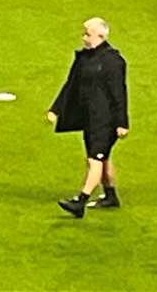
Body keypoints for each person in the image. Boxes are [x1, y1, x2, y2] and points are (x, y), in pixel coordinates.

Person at [47, 16, 129, 218]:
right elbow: (71, 85)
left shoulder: (113, 61)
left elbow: (119, 92)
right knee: (103, 158)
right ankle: (110, 196)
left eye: (87, 34)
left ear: (100, 36)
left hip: (106, 121)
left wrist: (122, 122)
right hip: (90, 119)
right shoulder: (84, 59)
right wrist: (55, 109)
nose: (84, 38)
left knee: (94, 160)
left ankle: (80, 202)